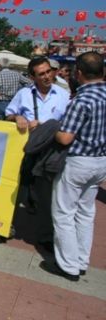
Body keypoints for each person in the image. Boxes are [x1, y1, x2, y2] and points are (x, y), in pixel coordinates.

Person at [40, 51, 106, 282]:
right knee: (86, 212)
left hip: (78, 161)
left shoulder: (81, 100)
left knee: (64, 213)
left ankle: (68, 265)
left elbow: (66, 138)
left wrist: (52, 128)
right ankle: (81, 260)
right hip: (100, 161)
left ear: (78, 73)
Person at [0, 56, 70, 245]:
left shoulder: (63, 95)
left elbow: (68, 123)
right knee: (16, 189)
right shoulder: (24, 94)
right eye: (41, 74)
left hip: (50, 151)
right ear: (32, 77)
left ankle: (46, 237)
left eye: (48, 71)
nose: (47, 76)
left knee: (47, 196)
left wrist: (46, 127)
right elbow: (8, 113)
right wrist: (17, 117)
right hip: (26, 149)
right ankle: (4, 226)